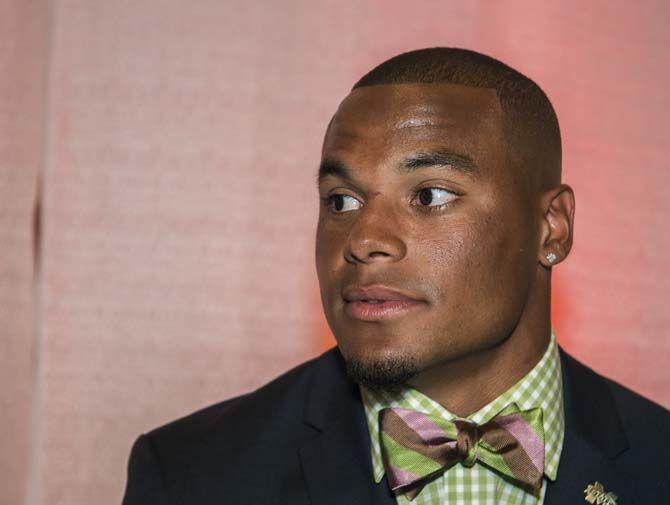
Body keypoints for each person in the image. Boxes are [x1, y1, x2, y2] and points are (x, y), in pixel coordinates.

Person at [121, 48, 670, 505]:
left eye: (430, 195)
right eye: (341, 200)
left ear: (552, 228)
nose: (362, 240)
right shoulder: (193, 477)